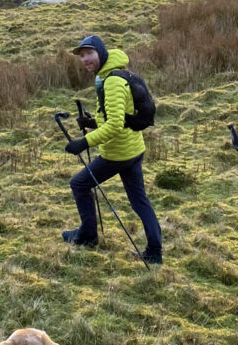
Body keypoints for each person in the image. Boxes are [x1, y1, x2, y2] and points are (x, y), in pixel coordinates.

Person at [61, 34, 163, 265]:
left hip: (118, 153)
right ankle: (155, 252)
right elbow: (117, 117)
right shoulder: (111, 74)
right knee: (139, 200)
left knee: (79, 184)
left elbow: (115, 125)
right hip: (134, 148)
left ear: (101, 53)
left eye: (90, 53)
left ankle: (87, 236)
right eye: (82, 55)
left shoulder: (112, 81)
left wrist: (84, 142)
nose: (86, 59)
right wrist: (91, 123)